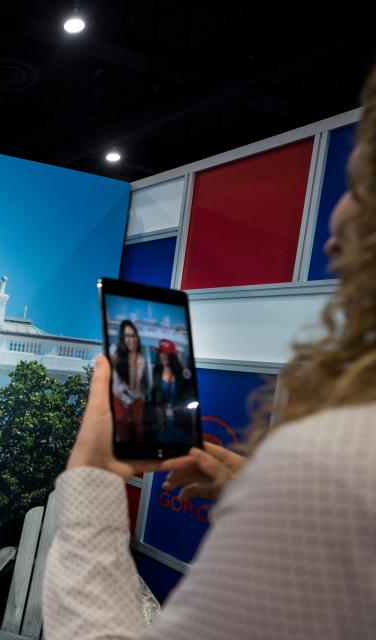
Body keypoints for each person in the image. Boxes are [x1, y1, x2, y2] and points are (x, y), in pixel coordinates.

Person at [42, 65, 376, 639]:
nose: (337, 217)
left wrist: (92, 479)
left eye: (361, 185)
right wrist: (274, 506)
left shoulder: (335, 462)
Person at [110, 319, 150, 441]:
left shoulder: (141, 360)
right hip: (119, 403)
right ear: (122, 338)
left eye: (133, 335)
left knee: (137, 437)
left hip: (137, 404)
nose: (131, 339)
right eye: (127, 336)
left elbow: (140, 385)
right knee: (122, 438)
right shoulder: (115, 355)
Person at [149, 339, 194, 443]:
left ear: (172, 356)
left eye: (167, 353)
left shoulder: (182, 372)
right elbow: (154, 396)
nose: (164, 356)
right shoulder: (156, 372)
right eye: (162, 352)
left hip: (180, 420)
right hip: (164, 421)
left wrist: (181, 408)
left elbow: (189, 396)